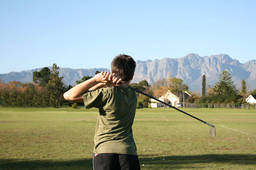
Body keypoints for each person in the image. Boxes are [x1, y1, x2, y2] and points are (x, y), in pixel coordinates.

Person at [63, 54, 140, 170]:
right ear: (132, 75)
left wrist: (96, 80)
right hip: (129, 153)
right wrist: (106, 84)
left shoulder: (106, 93)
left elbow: (68, 95)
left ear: (112, 72)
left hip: (104, 152)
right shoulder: (133, 95)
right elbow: (119, 89)